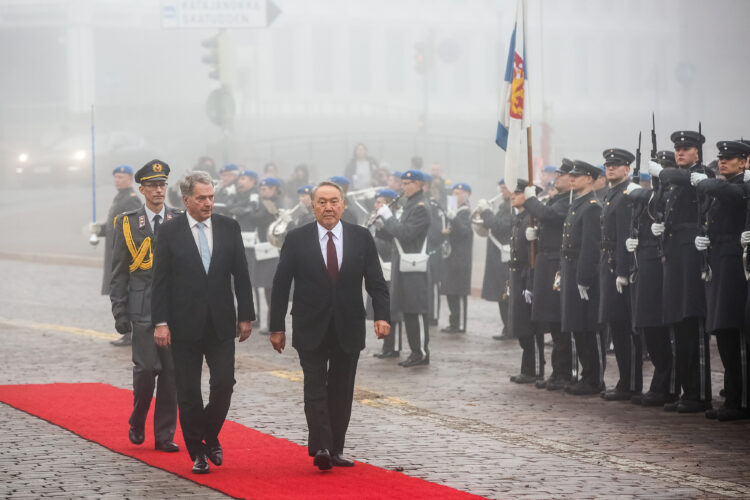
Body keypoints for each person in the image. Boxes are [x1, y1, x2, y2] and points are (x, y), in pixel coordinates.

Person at [269, 181, 390, 470]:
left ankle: (335, 448)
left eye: (334, 201)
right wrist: (277, 326)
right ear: (313, 206)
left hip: (348, 326)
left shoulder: (360, 237)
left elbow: (376, 282)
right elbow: (281, 284)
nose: (328, 207)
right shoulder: (297, 238)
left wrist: (382, 316)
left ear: (343, 204)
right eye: (322, 202)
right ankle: (321, 445)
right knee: (314, 387)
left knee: (341, 389)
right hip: (310, 326)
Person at [151, 170, 255, 474]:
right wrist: (160, 322)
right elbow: (161, 282)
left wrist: (245, 315)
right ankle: (197, 451)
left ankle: (209, 435)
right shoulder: (169, 232)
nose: (208, 202)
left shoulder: (228, 227)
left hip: (222, 322)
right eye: (202, 198)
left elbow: (242, 275)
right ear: (186, 200)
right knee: (189, 391)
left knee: (224, 384)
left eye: (211, 196)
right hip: (183, 325)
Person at [110, 159, 179, 453]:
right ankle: (138, 419)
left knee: (171, 375)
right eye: (153, 185)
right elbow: (119, 272)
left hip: (175, 312)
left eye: (162, 184)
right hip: (142, 308)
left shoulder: (179, 219)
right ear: (142, 189)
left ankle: (164, 435)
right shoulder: (128, 222)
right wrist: (119, 310)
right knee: (146, 370)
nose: (159, 190)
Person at [647, 130, 714, 413]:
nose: (680, 153)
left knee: (693, 325)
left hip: (691, 259)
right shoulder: (675, 179)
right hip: (675, 257)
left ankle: (698, 394)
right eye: (677, 149)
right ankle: (686, 391)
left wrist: (662, 172)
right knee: (679, 325)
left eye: (686, 149)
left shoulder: (701, 174)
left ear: (698, 152)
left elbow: (682, 179)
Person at [693, 140, 750, 420]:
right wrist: (703, 238)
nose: (723, 162)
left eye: (730, 158)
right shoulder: (722, 188)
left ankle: (740, 399)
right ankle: (731, 396)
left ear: (744, 162)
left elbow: (721, 189)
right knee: (724, 334)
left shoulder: (742, 186)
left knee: (734, 331)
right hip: (718, 263)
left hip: (733, 267)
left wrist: (704, 179)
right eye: (721, 158)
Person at [625, 156, 678, 407]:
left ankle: (666, 384)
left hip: (663, 265)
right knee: (647, 323)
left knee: (662, 327)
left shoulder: (672, 192)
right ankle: (660, 380)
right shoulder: (654, 194)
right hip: (645, 263)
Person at [523, 159, 574, 390]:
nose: (558, 177)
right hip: (547, 261)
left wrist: (530, 198)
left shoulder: (569, 201)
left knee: (560, 322)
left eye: (562, 175)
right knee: (552, 321)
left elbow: (548, 215)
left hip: (556, 262)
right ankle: (557, 372)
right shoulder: (558, 199)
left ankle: (564, 372)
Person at [597, 148, 643, 402]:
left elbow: (627, 235)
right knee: (616, 326)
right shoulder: (611, 194)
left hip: (619, 266)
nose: (610, 168)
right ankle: (626, 381)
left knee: (626, 328)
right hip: (608, 264)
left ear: (627, 169)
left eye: (616, 165)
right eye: (608, 165)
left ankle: (632, 383)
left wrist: (623, 271)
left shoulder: (626, 195)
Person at [376, 170, 432, 367]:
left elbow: (406, 233)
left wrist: (389, 218)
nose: (403, 186)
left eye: (407, 183)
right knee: (407, 309)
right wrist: (381, 227)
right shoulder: (410, 205)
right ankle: (415, 352)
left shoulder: (421, 207)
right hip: (404, 263)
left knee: (416, 310)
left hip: (414, 265)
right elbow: (396, 235)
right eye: (403, 183)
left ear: (418, 184)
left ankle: (421, 353)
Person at [561, 161, 606, 396]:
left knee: (590, 327)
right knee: (577, 326)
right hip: (570, 269)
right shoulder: (577, 204)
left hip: (582, 270)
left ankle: (595, 378)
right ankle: (585, 374)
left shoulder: (591, 207)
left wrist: (584, 277)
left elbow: (590, 246)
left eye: (577, 176)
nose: (572, 179)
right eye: (571, 175)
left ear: (589, 179)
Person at [91, 165, 142, 346]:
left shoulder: (131, 200)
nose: (117, 180)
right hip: (115, 254)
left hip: (125, 257)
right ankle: (127, 332)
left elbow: (134, 228)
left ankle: (131, 333)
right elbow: (116, 225)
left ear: (130, 178)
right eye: (116, 177)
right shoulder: (120, 197)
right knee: (120, 292)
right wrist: (99, 229)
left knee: (126, 293)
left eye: (121, 177)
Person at [508, 180, 545, 383]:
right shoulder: (520, 218)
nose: (512, 196)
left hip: (527, 274)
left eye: (518, 193)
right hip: (517, 273)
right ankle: (527, 368)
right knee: (521, 324)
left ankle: (536, 368)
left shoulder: (532, 219)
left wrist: (531, 282)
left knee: (531, 325)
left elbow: (535, 252)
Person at [245, 177, 283, 334]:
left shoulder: (274, 203)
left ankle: (273, 323)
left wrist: (252, 207)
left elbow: (255, 218)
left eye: (266, 189)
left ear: (274, 189)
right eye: (261, 188)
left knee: (270, 288)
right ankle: (265, 320)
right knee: (262, 286)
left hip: (273, 249)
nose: (263, 191)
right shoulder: (263, 203)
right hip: (263, 248)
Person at [476, 180, 513, 340]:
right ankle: (507, 327)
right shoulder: (504, 206)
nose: (502, 191)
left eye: (505, 188)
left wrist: (485, 212)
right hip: (498, 257)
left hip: (505, 259)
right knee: (501, 295)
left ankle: (511, 328)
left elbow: (499, 226)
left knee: (506, 295)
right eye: (502, 188)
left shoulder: (512, 208)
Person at [370, 189, 404, 358]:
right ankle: (387, 346)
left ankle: (395, 347)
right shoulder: (380, 216)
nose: (376, 205)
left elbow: (394, 241)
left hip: (392, 266)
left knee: (393, 309)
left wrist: (381, 231)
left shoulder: (397, 216)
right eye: (376, 202)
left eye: (380, 202)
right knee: (383, 308)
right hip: (380, 268)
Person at [440, 183, 473, 333]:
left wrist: (454, 219)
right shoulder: (454, 210)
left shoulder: (466, 213)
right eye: (454, 193)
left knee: (458, 291)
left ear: (467, 195)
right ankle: (453, 322)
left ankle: (459, 324)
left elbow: (465, 232)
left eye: (458, 193)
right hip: (450, 255)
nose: (455, 196)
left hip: (461, 258)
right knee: (450, 290)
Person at [423, 173, 448, 327]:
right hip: (422, 249)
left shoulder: (433, 205)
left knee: (433, 284)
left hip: (432, 248)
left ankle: (434, 315)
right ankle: (425, 311)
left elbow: (438, 230)